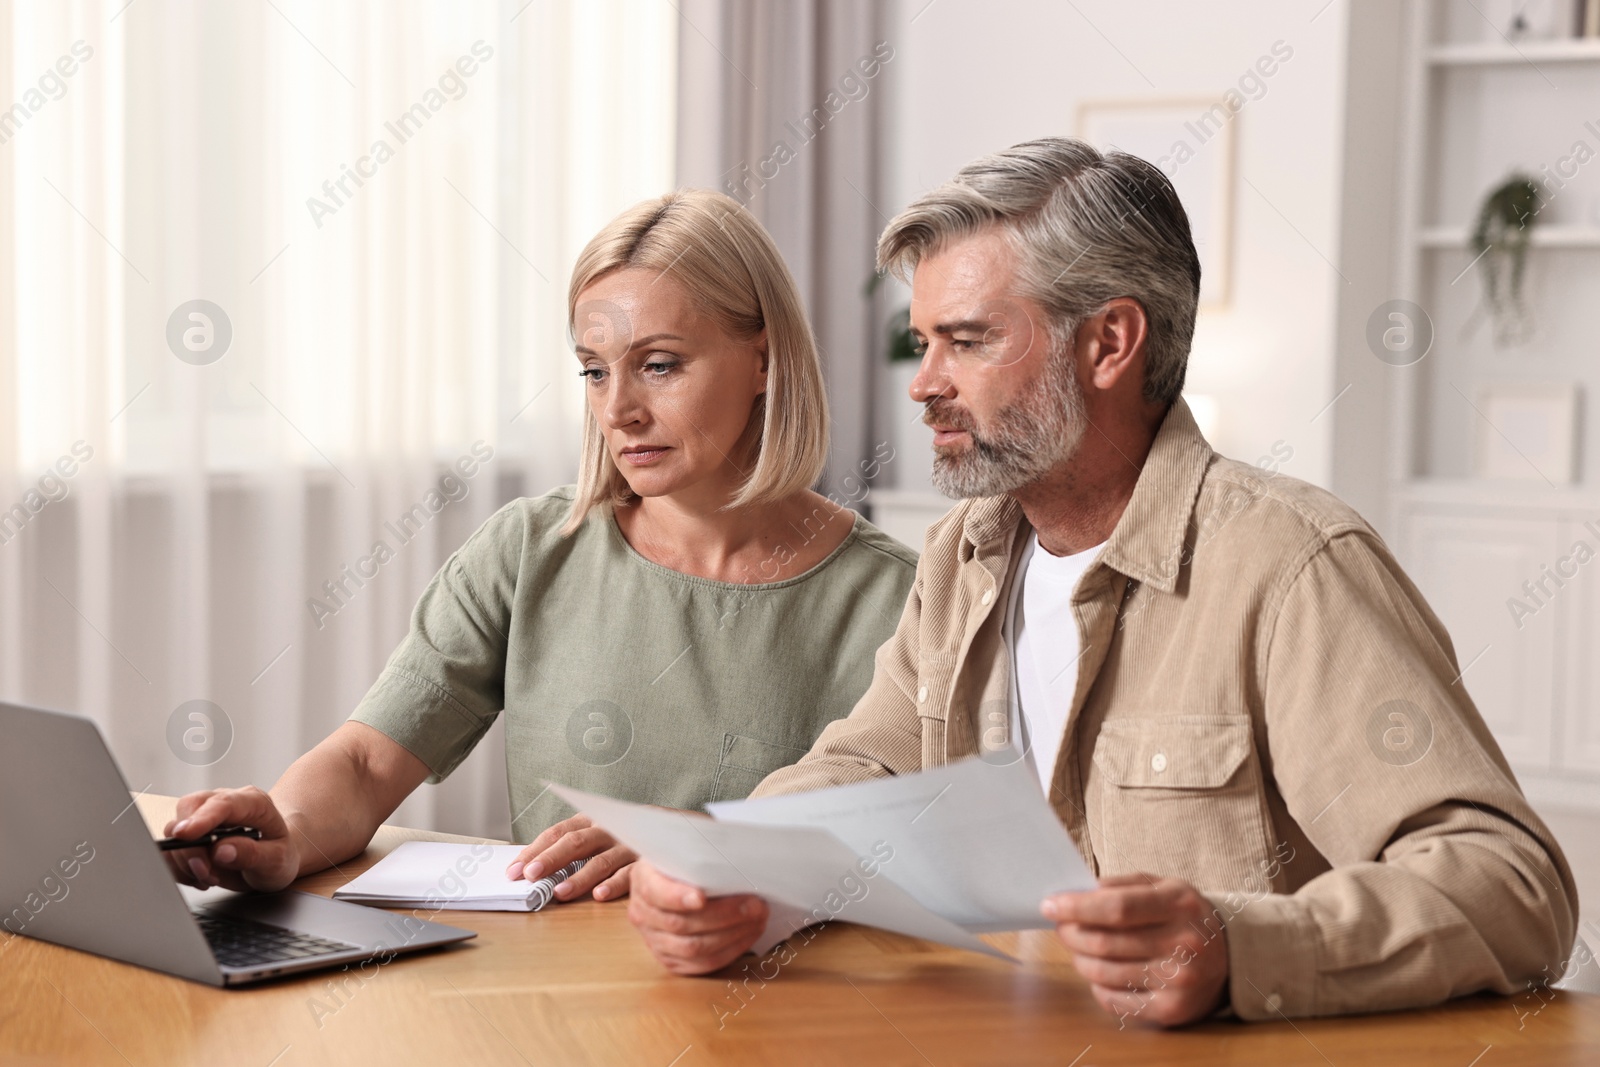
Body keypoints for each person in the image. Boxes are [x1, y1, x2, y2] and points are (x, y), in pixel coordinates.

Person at [624, 138, 1579, 1026]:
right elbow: (870, 764)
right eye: (924, 344)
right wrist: (736, 865)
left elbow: (1512, 885)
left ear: (1110, 344)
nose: (923, 384)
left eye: (967, 340)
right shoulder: (966, 553)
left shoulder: (1291, 567)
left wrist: (1242, 946)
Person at [162, 190, 917, 906]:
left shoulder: (897, 600)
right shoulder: (529, 552)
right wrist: (286, 829)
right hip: (555, 997)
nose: (618, 409)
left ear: (763, 359)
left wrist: (707, 847)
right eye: (595, 370)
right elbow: (366, 762)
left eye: (659, 364)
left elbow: (900, 858)